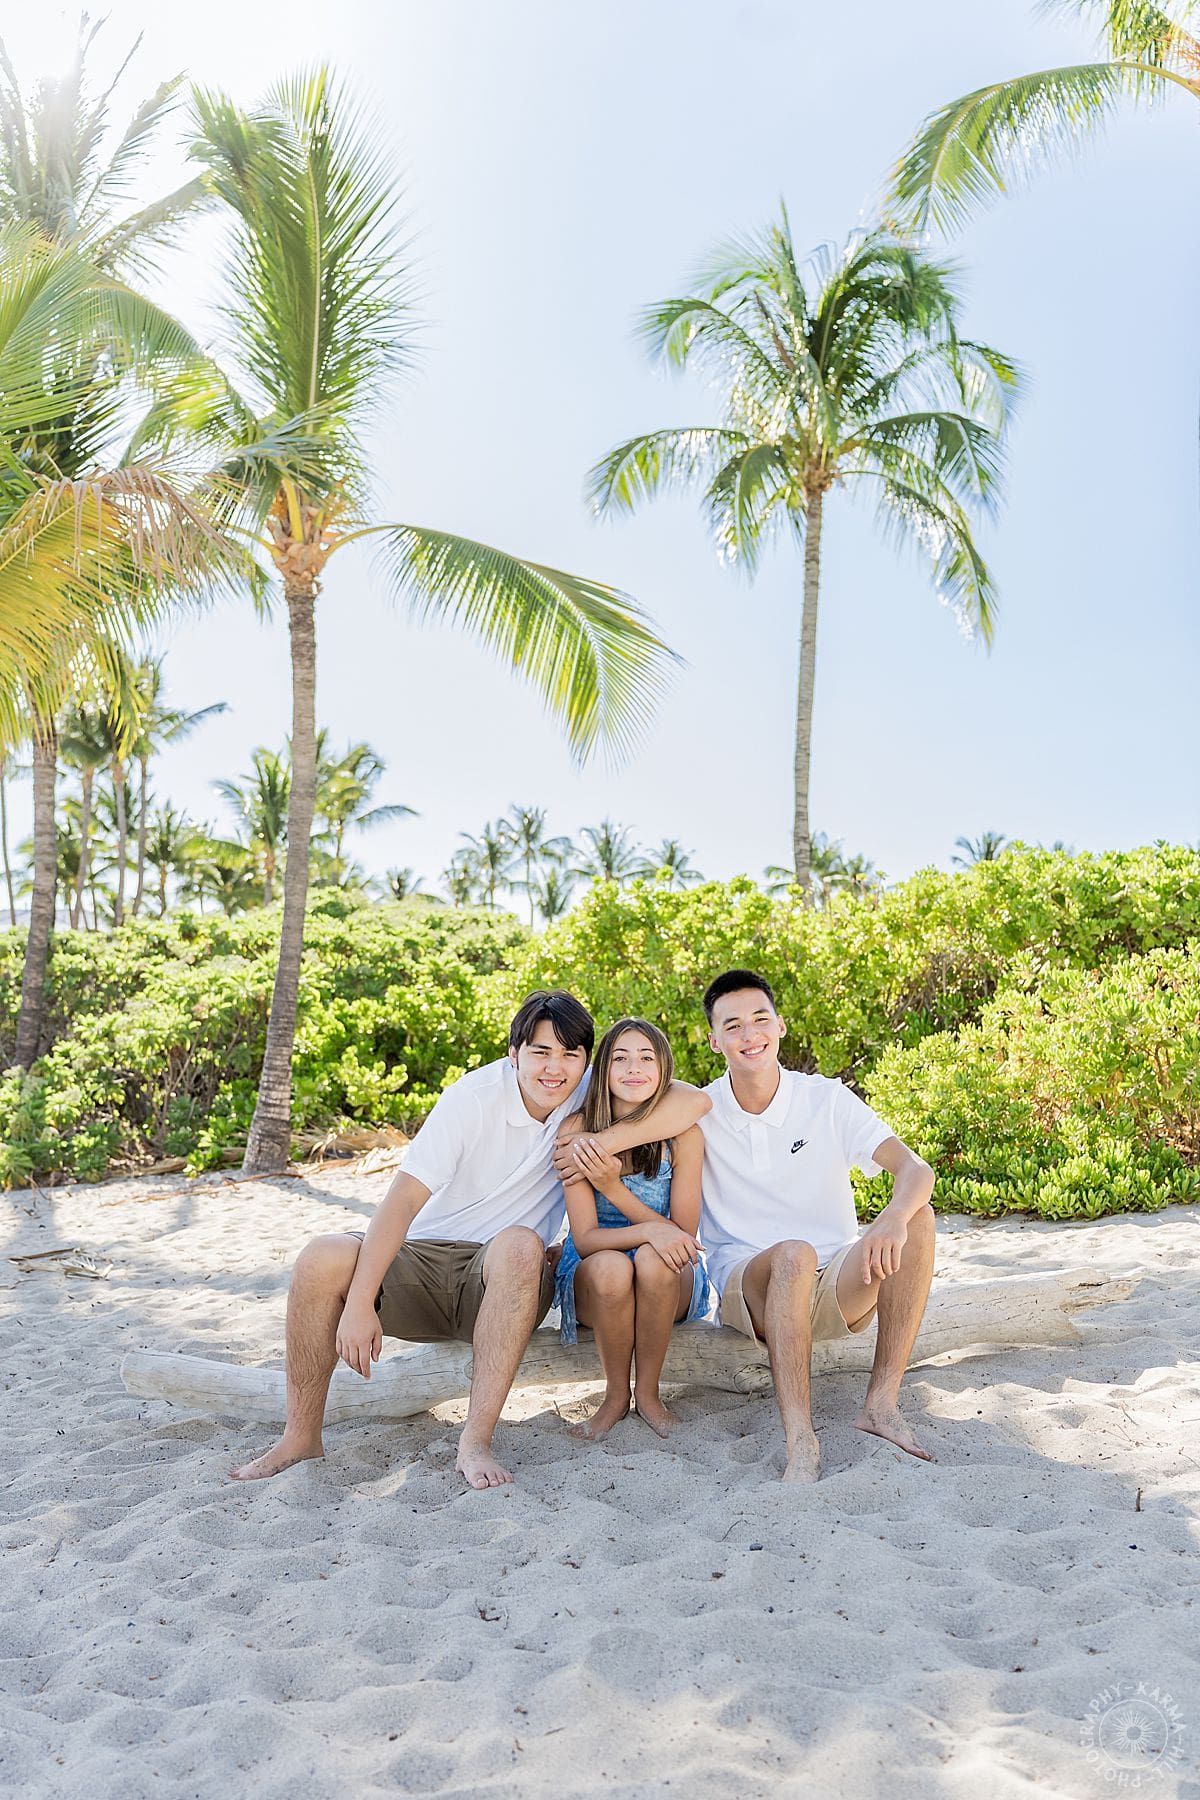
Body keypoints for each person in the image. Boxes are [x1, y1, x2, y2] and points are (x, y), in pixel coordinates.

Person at [230, 990, 711, 1490]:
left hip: (503, 1276)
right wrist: (357, 1302)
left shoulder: (586, 1090)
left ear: (586, 1062)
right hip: (424, 1261)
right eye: (541, 1052)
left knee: (521, 1245)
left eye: (570, 1054)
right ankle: (300, 1437)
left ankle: (475, 1442)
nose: (555, 1068)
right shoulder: (474, 1098)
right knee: (320, 1256)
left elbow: (694, 1100)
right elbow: (402, 1202)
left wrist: (599, 1144)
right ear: (513, 1054)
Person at [698, 969, 936, 1484]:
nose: (750, 1035)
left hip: (835, 1284)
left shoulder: (825, 1098)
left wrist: (894, 1217)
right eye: (733, 1026)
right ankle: (801, 1440)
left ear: (780, 1026)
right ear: (714, 1040)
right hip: (751, 1287)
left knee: (919, 1216)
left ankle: (881, 1405)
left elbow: (916, 1170)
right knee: (793, 1254)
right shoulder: (700, 1110)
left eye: (760, 1019)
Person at [554, 1018, 712, 1440]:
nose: (633, 1069)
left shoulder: (684, 1137)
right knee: (614, 1268)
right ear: (603, 1069)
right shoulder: (577, 1131)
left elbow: (682, 1237)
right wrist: (648, 1232)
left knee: (654, 1260)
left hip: (666, 1274)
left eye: (646, 1058)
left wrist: (612, 1188)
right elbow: (585, 1239)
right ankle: (614, 1396)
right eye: (620, 1059)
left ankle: (648, 1394)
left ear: (663, 1070)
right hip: (596, 1272)